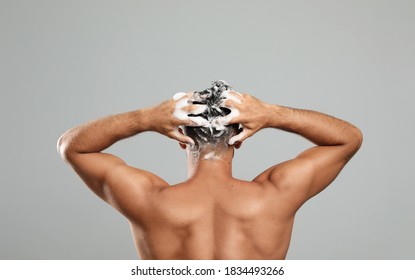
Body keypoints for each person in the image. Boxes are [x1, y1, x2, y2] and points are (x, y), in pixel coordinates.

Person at [57, 81, 363, 259]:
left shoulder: (150, 201)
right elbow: (347, 139)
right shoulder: (275, 195)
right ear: (240, 140)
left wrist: (145, 118)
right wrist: (271, 114)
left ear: (181, 140)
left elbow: (72, 146)